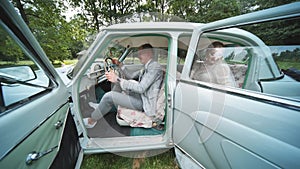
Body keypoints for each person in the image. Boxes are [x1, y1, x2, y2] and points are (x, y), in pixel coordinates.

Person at [84, 43, 163, 128]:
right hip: (142, 96)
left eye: (141, 53)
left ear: (149, 53)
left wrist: (117, 79)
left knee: (109, 96)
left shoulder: (154, 67)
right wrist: (120, 65)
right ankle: (101, 106)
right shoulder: (147, 66)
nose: (138, 56)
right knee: (118, 84)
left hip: (144, 102)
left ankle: (91, 121)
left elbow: (141, 88)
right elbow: (132, 76)